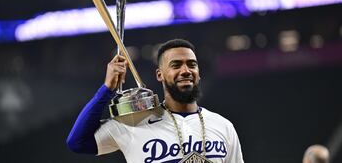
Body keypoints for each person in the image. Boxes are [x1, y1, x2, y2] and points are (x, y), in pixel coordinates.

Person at [66, 39, 244, 163]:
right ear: (160, 75)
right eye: (176, 65)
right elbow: (78, 142)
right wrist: (107, 89)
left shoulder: (223, 126)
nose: (185, 70)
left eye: (192, 64)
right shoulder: (134, 123)